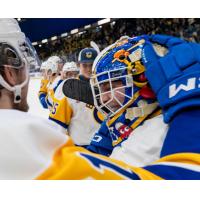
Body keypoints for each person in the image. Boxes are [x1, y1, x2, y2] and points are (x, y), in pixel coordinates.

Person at [1, 19, 200, 180]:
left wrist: (101, 142)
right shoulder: (17, 143)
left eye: (111, 85)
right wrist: (190, 103)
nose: (104, 98)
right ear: (11, 72)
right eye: (102, 87)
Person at [87, 36, 167, 167]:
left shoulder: (156, 135)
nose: (103, 99)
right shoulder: (122, 118)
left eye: (109, 88)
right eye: (102, 89)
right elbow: (96, 152)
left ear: (143, 80)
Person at [49, 48, 105, 146]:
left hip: (106, 148)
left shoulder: (106, 85)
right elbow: (58, 125)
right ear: (79, 65)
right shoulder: (68, 88)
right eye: (85, 65)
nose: (88, 69)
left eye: (92, 65)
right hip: (81, 149)